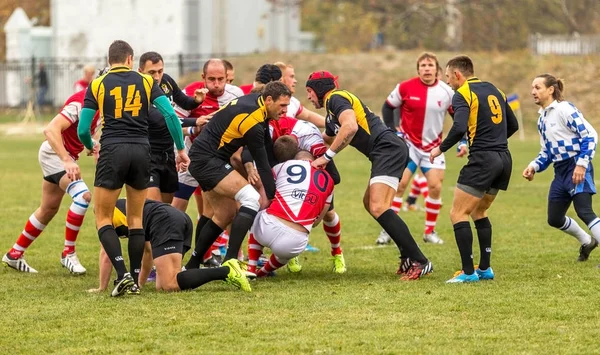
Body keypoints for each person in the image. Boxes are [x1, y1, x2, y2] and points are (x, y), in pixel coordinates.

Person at [77, 40, 189, 297]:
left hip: (113, 150)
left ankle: (122, 274)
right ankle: (136, 279)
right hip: (142, 151)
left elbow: (83, 129)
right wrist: (181, 149)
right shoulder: (147, 82)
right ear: (130, 60)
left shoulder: (97, 84)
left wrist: (90, 145)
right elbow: (171, 116)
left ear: (110, 60)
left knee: (103, 217)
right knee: (136, 219)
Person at [307, 71, 433, 280]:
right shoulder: (331, 113)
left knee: (378, 206)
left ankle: (420, 260)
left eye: (309, 92)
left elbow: (350, 126)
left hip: (388, 149)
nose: (309, 97)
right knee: (371, 203)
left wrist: (327, 157)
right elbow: (327, 138)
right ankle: (407, 256)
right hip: (384, 152)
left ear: (319, 90)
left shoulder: (336, 98)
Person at [183, 81, 291, 275]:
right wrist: (274, 197)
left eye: (287, 106)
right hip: (207, 160)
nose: (285, 110)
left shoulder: (256, 105)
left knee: (224, 214)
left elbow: (265, 147)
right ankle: (231, 261)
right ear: (268, 100)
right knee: (251, 198)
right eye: (282, 105)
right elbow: (263, 163)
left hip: (204, 158)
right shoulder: (253, 120)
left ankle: (192, 264)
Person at [430, 55, 519, 283]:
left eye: (449, 78)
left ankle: (468, 273)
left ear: (458, 75)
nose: (449, 83)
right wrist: (494, 140)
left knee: (457, 213)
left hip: (483, 160)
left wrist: (440, 149)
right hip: (504, 159)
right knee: (479, 211)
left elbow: (459, 127)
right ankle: (485, 269)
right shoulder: (496, 90)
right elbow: (514, 125)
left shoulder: (463, 93)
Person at [2, 78, 103, 274]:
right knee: (83, 196)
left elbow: (79, 134)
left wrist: (92, 145)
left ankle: (14, 254)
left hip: (61, 155)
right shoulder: (80, 102)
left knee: (48, 208)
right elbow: (50, 130)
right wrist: (66, 160)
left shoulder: (101, 107)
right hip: (54, 155)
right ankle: (68, 253)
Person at [244, 116, 347, 273]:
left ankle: (337, 253)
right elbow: (316, 222)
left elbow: (336, 177)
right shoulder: (267, 124)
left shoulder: (305, 130)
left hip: (309, 170)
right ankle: (273, 265)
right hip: (296, 240)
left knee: (258, 207)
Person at [376, 52, 458, 246]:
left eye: (430, 65)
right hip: (409, 146)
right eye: (423, 65)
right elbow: (388, 107)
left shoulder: (447, 92)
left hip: (434, 148)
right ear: (418, 69)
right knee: (399, 185)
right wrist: (393, 131)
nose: (427, 68)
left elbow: (458, 117)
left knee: (436, 187)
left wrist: (461, 141)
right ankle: (387, 231)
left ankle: (429, 232)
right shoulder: (405, 87)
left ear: (437, 70)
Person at [89, 198, 250, 293]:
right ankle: (224, 271)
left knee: (169, 283)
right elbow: (147, 251)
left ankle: (227, 271)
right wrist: (138, 284)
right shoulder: (121, 207)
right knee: (162, 286)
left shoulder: (104, 215)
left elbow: (106, 255)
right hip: (177, 218)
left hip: (166, 222)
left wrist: (101, 288)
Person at [172, 59, 243, 266]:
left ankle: (234, 258)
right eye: (211, 79)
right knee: (177, 210)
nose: (217, 84)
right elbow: (174, 125)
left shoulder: (235, 95)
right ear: (203, 78)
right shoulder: (191, 94)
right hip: (191, 158)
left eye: (221, 79)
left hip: (218, 160)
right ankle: (167, 258)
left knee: (227, 208)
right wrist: (195, 127)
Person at [523, 74, 600, 262]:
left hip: (576, 165)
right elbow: (547, 152)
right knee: (554, 218)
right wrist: (533, 166)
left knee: (584, 211)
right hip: (560, 171)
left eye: (538, 87)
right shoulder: (542, 119)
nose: (533, 91)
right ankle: (587, 241)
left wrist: (582, 165)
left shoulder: (564, 109)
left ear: (551, 90)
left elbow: (590, 136)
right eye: (532, 87)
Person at [138, 51, 207, 203]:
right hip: (148, 154)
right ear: (140, 72)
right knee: (153, 208)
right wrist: (195, 121)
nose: (157, 77)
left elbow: (184, 101)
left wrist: (196, 101)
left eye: (160, 71)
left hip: (168, 154)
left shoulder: (166, 81)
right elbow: (161, 119)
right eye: (151, 73)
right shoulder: (140, 90)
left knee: (165, 211)